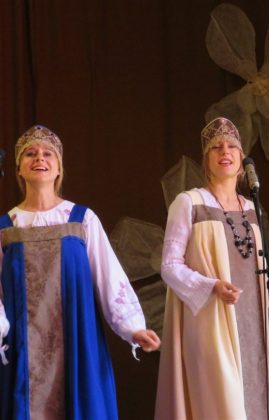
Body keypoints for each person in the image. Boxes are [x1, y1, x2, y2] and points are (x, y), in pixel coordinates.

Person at [0, 125, 161, 419]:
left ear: (59, 168)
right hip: (23, 347)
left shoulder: (82, 219)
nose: (40, 158)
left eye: (48, 154)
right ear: (19, 169)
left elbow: (109, 276)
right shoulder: (6, 228)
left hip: (76, 339)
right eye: (30, 154)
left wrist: (133, 327)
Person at [154, 117, 269, 420]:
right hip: (212, 322)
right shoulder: (189, 202)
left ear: (241, 158)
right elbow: (169, 265)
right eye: (216, 147)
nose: (225, 151)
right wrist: (212, 286)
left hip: (255, 325)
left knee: (262, 397)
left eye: (232, 146)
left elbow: (253, 264)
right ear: (206, 159)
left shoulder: (251, 208)